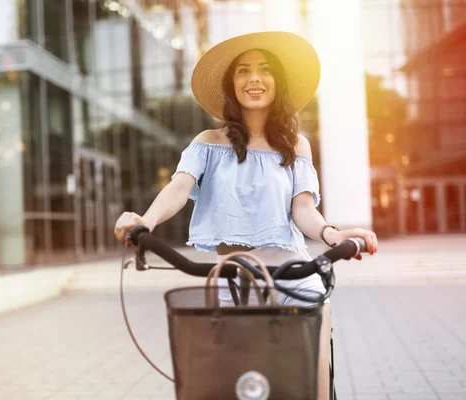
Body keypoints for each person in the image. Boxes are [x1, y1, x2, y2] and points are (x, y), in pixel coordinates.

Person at [114, 31, 378, 400]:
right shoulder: (208, 142)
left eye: (264, 69)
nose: (254, 78)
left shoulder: (295, 144)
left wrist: (334, 235)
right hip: (232, 276)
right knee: (237, 381)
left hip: (292, 273)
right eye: (243, 71)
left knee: (310, 367)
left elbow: (303, 209)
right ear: (231, 85)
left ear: (277, 83)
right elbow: (178, 187)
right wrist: (145, 221)